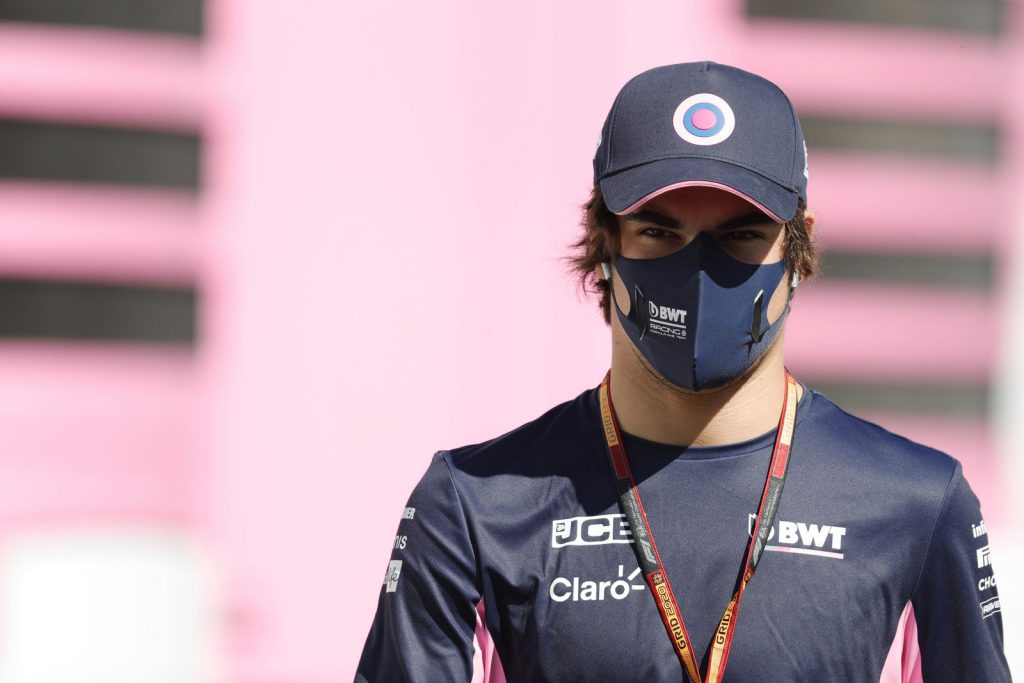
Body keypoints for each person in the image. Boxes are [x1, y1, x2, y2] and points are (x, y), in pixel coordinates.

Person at [355, 62, 1011, 682]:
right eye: (659, 233)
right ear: (604, 236)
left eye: (740, 236)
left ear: (799, 243)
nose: (697, 272)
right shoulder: (473, 503)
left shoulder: (918, 503)